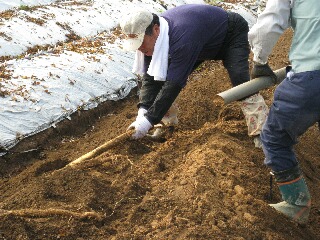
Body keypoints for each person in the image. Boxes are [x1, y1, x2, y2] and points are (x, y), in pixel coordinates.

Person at [120, 4, 269, 146]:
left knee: (240, 82)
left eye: (141, 43)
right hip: (202, 42)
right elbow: (150, 77)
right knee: (160, 76)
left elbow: (174, 83)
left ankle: (262, 131)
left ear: (156, 29)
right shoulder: (151, 39)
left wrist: (148, 121)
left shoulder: (182, 36)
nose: (139, 49)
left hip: (230, 35)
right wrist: (143, 112)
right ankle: (165, 125)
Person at [248, 0, 320, 224]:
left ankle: (296, 204)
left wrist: (259, 60)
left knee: (274, 136)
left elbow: (270, 23)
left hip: (312, 73)